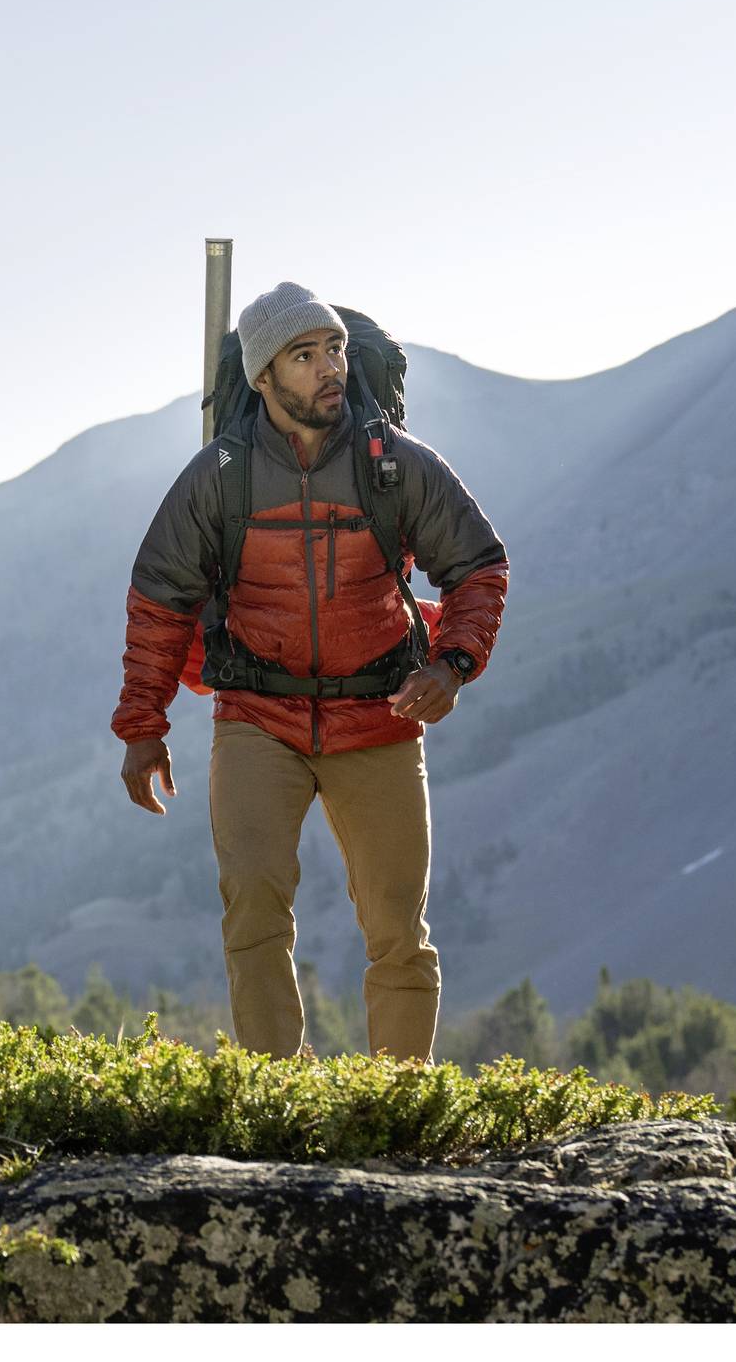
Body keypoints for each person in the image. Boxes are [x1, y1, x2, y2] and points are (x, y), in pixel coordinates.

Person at [111, 280, 510, 1062]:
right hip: (258, 720)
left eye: (333, 350)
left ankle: (399, 1109)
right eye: (304, 356)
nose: (329, 368)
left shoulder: (395, 465)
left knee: (397, 927)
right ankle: (277, 1102)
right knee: (254, 913)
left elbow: (478, 567)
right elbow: (158, 603)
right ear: (264, 377)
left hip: (381, 717)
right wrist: (141, 727)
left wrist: (455, 663)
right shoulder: (217, 477)